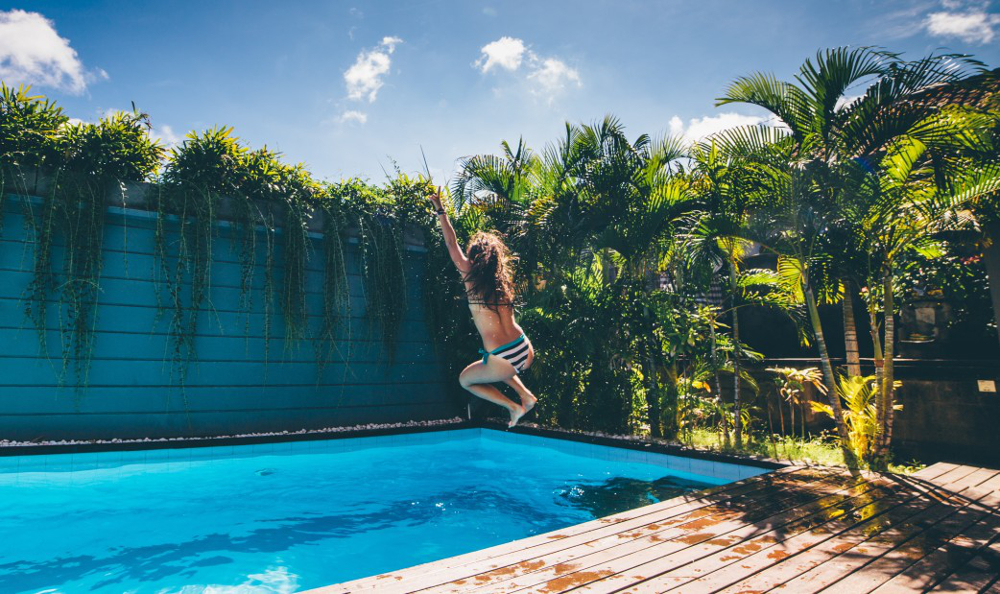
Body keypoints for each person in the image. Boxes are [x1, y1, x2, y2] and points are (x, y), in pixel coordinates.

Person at [428, 187, 537, 427]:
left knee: (465, 380)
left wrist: (440, 209)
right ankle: (525, 395)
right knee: (494, 360)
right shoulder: (503, 283)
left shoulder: (470, 276)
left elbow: (450, 241)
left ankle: (514, 406)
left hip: (503, 358)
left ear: (473, 258)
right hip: (524, 349)